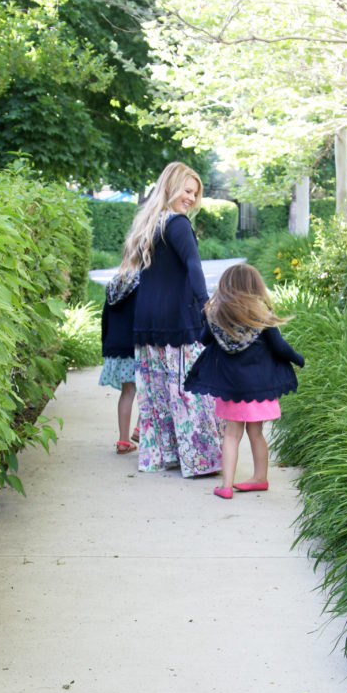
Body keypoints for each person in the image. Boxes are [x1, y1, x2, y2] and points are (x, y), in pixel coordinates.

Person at [124, 162, 223, 477]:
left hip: (148, 321)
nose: (192, 198)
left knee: (157, 393)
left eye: (195, 193)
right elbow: (194, 267)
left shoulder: (149, 223)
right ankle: (199, 460)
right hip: (178, 321)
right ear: (170, 187)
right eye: (187, 190)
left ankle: (164, 455)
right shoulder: (178, 224)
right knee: (189, 390)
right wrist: (206, 306)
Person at [184, 263, 304, 499]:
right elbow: (279, 347)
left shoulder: (217, 314)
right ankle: (260, 478)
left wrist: (209, 319)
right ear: (255, 287)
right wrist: (297, 359)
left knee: (231, 434)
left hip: (230, 387)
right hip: (258, 387)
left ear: (225, 287)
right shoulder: (261, 314)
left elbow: (204, 340)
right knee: (256, 434)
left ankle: (226, 485)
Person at [99, 261, 139, 453]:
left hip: (118, 347)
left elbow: (104, 319)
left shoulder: (114, 285)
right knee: (149, 390)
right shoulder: (142, 285)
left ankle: (123, 441)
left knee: (127, 392)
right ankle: (139, 429)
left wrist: (105, 344)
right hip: (138, 345)